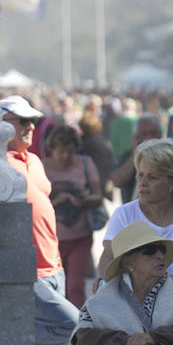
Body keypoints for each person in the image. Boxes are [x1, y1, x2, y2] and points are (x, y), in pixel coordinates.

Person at [0, 95, 79, 345]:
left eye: (32, 121)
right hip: (26, 270)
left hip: (52, 266)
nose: (31, 127)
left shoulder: (33, 161)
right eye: (21, 121)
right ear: (0, 126)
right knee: (70, 323)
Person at [95, 138, 173, 292]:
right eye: (140, 175)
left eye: (152, 177)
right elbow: (109, 254)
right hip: (137, 307)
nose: (142, 182)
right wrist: (102, 281)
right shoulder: (124, 214)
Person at [43, 124, 103, 309]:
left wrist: (84, 200)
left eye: (70, 151)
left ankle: (78, 326)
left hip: (80, 236)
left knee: (75, 285)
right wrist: (55, 201)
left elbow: (98, 196)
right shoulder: (42, 166)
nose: (66, 157)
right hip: (51, 238)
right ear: (51, 149)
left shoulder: (86, 163)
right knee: (53, 287)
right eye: (61, 151)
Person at [111, 113, 164, 204]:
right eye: (144, 134)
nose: (149, 137)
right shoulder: (128, 155)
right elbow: (117, 181)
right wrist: (135, 154)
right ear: (136, 136)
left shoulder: (169, 155)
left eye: (153, 133)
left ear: (160, 134)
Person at [78, 110, 114, 200]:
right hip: (102, 184)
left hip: (84, 187)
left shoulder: (78, 144)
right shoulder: (103, 143)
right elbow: (111, 165)